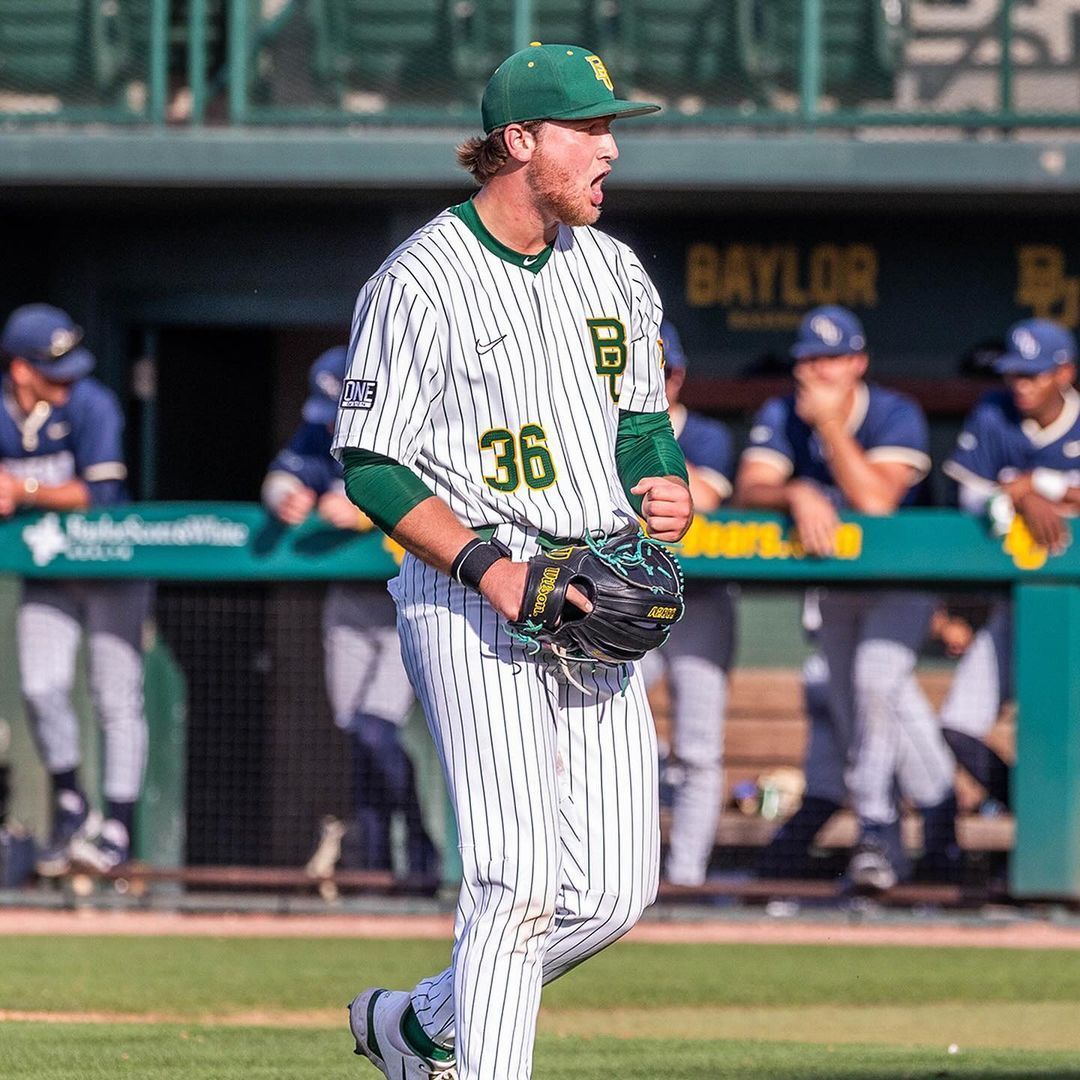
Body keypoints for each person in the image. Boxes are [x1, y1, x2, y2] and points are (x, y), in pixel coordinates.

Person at [331, 43, 691, 1080]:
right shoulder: (420, 281)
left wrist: (667, 482)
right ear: (521, 140)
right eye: (591, 128)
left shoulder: (614, 269)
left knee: (612, 893)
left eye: (612, 128)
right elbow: (371, 464)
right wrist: (486, 567)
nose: (611, 150)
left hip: (596, 592)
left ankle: (418, 1028)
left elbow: (640, 425)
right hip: (469, 596)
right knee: (516, 882)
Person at [735, 304, 957, 892]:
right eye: (809, 359)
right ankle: (931, 832)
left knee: (876, 680)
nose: (818, 370)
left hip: (904, 579)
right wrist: (796, 491)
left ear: (858, 362)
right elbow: (750, 486)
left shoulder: (893, 411)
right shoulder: (783, 411)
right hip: (837, 585)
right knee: (861, 704)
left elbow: (876, 502)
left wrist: (831, 428)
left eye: (832, 358)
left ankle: (878, 830)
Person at [262, 346, 437, 879]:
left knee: (375, 730)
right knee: (355, 736)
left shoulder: (418, 424)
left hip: (410, 597)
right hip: (349, 600)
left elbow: (447, 499)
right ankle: (378, 864)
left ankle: (416, 844)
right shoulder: (320, 431)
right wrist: (283, 496)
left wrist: (367, 508)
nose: (331, 423)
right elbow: (284, 472)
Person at [0, 303, 150, 874]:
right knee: (40, 687)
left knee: (116, 697)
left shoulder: (93, 403)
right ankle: (71, 806)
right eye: (52, 371)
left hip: (111, 566)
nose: (67, 381)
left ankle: (118, 829)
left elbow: (101, 494)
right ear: (21, 370)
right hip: (47, 573)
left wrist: (24, 489)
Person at [941, 317, 1080, 808]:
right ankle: (1033, 808)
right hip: (1017, 606)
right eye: (1014, 374)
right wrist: (1016, 497)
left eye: (1033, 374)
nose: (1020, 384)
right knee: (957, 724)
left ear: (1064, 373)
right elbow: (969, 496)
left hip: (1074, 607)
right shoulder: (993, 413)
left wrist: (1037, 485)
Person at [640, 320, 736, 886]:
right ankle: (631, 871)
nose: (659, 379)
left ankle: (688, 878)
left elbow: (708, 496)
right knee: (604, 728)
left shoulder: (704, 434)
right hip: (627, 603)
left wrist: (648, 446)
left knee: (699, 748)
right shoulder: (594, 428)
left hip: (700, 602)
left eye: (666, 368)